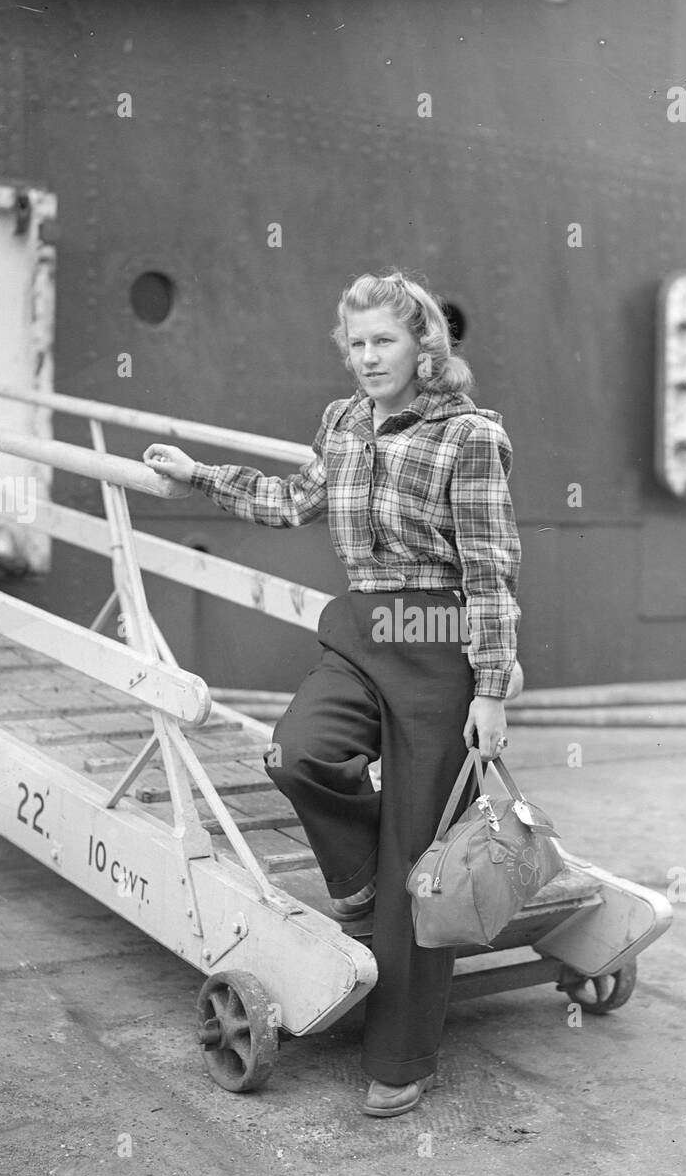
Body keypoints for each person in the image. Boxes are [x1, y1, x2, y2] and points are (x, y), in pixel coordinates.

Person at [144, 268, 521, 1117]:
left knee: (418, 875)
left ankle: (402, 1056)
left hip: (436, 648)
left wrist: (489, 691)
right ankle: (355, 876)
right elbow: (290, 502)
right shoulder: (343, 423)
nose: (366, 357)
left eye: (383, 340)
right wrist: (199, 476)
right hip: (359, 632)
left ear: (424, 345)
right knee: (300, 753)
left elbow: (492, 572)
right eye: (354, 343)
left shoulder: (469, 438)